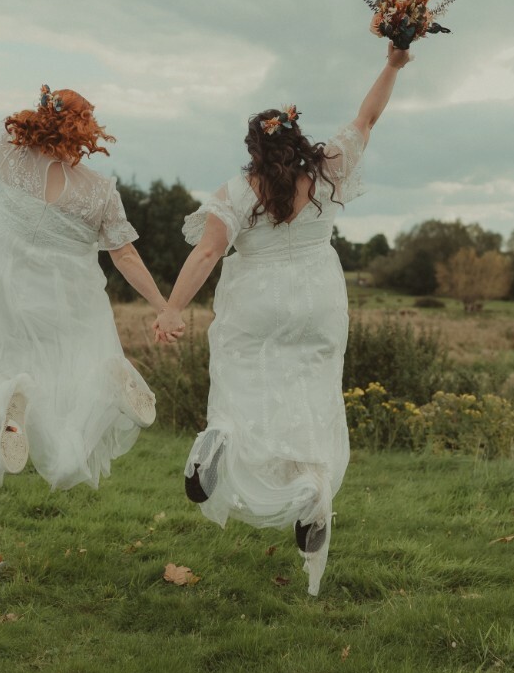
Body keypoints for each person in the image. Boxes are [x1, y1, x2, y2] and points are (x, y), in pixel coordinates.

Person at [154, 42, 411, 595]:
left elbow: (205, 254)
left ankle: (221, 435)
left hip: (257, 298)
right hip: (318, 299)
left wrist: (174, 308)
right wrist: (392, 63)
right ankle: (312, 492)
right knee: (312, 394)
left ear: (254, 149)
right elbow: (367, 117)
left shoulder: (237, 192)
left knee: (240, 375)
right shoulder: (326, 174)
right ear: (297, 141)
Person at [0, 31, 179, 492]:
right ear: (86, 131)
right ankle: (111, 379)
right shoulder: (99, 190)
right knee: (70, 369)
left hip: (5, 282)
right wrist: (162, 305)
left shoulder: (10, 156)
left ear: (42, 117)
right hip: (66, 293)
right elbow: (124, 255)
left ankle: (11, 393)